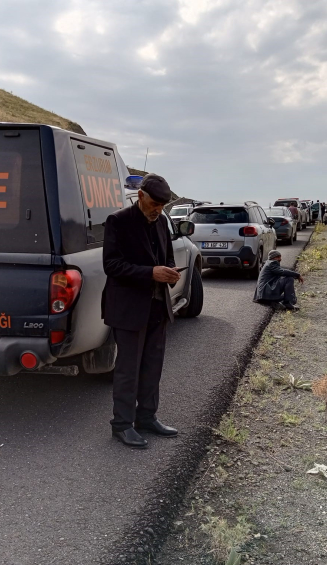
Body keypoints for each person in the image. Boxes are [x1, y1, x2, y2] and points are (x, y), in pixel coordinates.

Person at [102, 174, 180, 449]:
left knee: (152, 366)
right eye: (154, 203)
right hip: (128, 308)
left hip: (158, 305)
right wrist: (151, 273)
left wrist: (169, 272)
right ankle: (122, 425)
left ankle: (146, 417)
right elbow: (111, 265)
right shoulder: (118, 221)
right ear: (140, 196)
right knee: (128, 369)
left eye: (162, 205)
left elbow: (167, 256)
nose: (157, 209)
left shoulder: (160, 222)